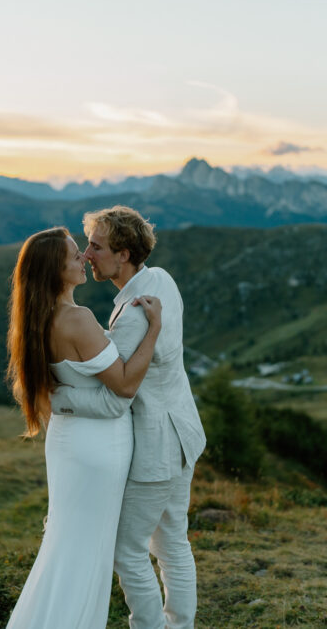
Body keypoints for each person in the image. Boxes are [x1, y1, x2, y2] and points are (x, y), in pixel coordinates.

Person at [50, 206, 206, 629]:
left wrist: (59, 399)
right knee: (173, 542)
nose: (86, 255)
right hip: (183, 434)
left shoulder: (135, 313)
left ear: (123, 255)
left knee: (127, 550)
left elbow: (117, 396)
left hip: (157, 446)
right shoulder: (161, 280)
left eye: (96, 248)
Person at [5, 226, 163, 629]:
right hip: (97, 450)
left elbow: (54, 390)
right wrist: (154, 331)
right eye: (75, 255)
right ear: (56, 272)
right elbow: (125, 384)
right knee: (85, 550)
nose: (85, 258)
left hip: (67, 444)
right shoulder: (77, 319)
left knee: (64, 544)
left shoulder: (35, 319)